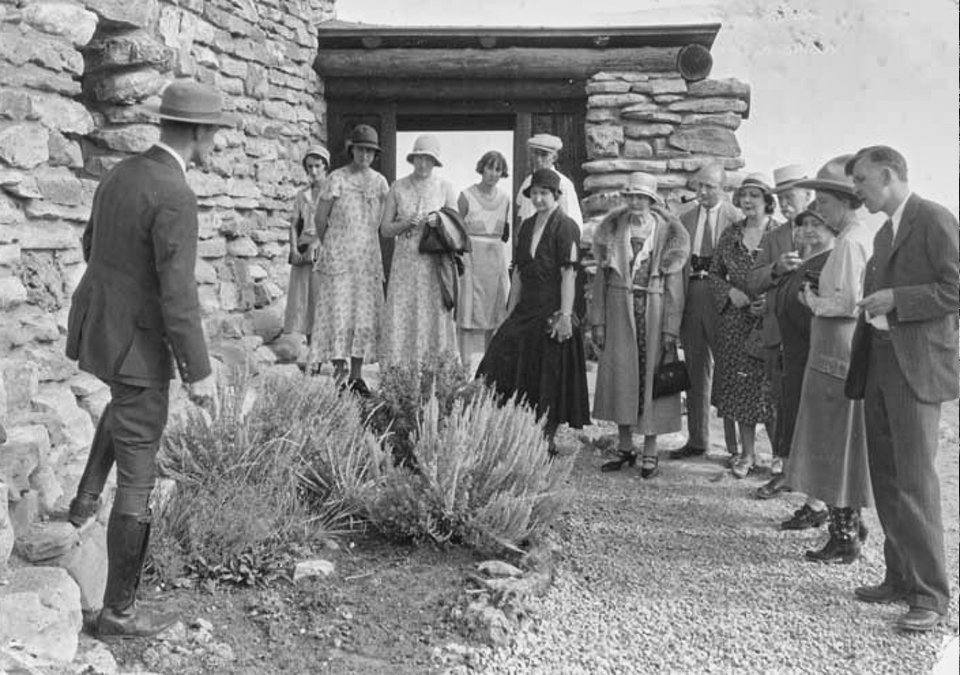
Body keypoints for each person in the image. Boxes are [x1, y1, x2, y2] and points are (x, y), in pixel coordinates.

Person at [64, 79, 227, 637]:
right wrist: (199, 373)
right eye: (214, 135)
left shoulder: (121, 173)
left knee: (123, 403)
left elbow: (91, 245)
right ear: (198, 132)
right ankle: (118, 612)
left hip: (102, 328)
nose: (216, 146)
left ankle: (84, 497)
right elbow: (178, 297)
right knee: (139, 477)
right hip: (139, 344)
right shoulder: (175, 194)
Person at [844, 146, 958, 633]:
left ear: (888, 175)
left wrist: (895, 299)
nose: (858, 192)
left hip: (915, 369)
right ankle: (900, 577)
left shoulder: (932, 218)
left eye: (863, 182)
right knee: (887, 480)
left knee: (916, 483)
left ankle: (931, 595)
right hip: (881, 364)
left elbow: (956, 289)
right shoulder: (886, 230)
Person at [783, 156, 874, 561]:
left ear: (842, 201)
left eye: (823, 202)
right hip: (833, 350)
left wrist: (813, 300)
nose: (818, 211)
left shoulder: (852, 242)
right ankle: (849, 525)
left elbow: (850, 303)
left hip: (836, 350)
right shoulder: (853, 238)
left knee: (835, 441)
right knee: (836, 440)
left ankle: (844, 535)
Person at [476, 168, 590, 454]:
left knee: (549, 372)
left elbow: (569, 274)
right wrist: (508, 313)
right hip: (526, 307)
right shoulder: (526, 226)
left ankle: (546, 439)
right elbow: (517, 274)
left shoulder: (566, 227)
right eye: (535, 194)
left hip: (553, 307)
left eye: (544, 194)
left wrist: (565, 317)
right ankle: (514, 431)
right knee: (500, 360)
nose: (538, 199)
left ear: (556, 195)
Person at [590, 173, 690, 478]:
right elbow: (600, 281)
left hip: (655, 313)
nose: (636, 202)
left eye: (641, 197)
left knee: (652, 381)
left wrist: (671, 327)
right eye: (631, 196)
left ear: (652, 201)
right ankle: (624, 447)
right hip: (619, 312)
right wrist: (598, 321)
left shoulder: (665, 234)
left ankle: (650, 449)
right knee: (621, 378)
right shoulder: (612, 230)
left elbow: (675, 286)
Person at [303, 126, 388, 394]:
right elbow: (320, 218)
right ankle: (339, 374)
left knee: (362, 314)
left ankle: (357, 375)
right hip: (339, 255)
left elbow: (385, 220)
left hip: (366, 258)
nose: (365, 155)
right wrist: (331, 244)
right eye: (361, 149)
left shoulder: (380, 182)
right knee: (339, 312)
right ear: (352, 149)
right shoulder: (336, 178)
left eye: (370, 151)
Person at [747, 164, 814, 499]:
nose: (786, 205)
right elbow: (752, 280)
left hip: (814, 334)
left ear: (808, 195)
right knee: (780, 404)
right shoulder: (774, 237)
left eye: (791, 197)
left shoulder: (822, 229)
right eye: (781, 199)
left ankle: (812, 480)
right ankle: (785, 470)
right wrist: (776, 269)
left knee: (811, 407)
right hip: (778, 333)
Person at [708, 173, 777, 478]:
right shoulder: (731, 234)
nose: (748, 201)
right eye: (744, 195)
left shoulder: (779, 234)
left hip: (770, 323)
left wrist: (771, 303)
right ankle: (746, 455)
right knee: (740, 387)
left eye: (755, 196)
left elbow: (793, 274)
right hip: (736, 322)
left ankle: (780, 457)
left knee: (772, 389)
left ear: (767, 201)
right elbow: (713, 275)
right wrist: (729, 292)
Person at [671, 164, 741, 461]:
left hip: (723, 298)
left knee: (729, 369)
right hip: (693, 293)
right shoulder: (684, 218)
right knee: (696, 368)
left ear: (723, 188)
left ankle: (736, 447)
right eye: (698, 186)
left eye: (709, 187)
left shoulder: (736, 218)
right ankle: (697, 440)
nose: (701, 192)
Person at [771, 210, 833, 527]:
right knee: (798, 425)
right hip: (795, 356)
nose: (807, 230)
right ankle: (814, 500)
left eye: (815, 224)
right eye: (803, 224)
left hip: (815, 356)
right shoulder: (803, 261)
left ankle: (819, 503)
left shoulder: (829, 262)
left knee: (816, 429)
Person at [379, 134, 460, 366]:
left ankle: (437, 369)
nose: (423, 164)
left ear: (435, 163)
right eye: (419, 158)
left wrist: (439, 220)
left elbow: (456, 226)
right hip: (405, 261)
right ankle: (400, 370)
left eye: (428, 159)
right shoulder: (398, 187)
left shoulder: (445, 186)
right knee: (403, 310)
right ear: (412, 159)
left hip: (433, 262)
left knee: (433, 311)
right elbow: (385, 229)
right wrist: (406, 223)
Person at [456, 150, 511, 365]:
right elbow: (455, 231)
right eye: (490, 168)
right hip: (471, 261)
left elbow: (504, 234)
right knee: (468, 314)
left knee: (492, 316)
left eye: (498, 169)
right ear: (482, 168)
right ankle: (464, 366)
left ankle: (487, 367)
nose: (493, 173)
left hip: (495, 262)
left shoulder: (505, 199)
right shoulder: (466, 196)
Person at [282, 145, 329, 344]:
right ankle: (310, 350)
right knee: (304, 300)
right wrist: (293, 248)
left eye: (317, 166)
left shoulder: (331, 193)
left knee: (321, 299)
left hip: (324, 251)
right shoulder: (302, 195)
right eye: (309, 166)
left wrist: (317, 243)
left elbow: (335, 225)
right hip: (303, 250)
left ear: (325, 166)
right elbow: (293, 224)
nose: (313, 171)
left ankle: (323, 351)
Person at [515, 133, 583, 232]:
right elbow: (521, 215)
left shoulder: (563, 184)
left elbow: (572, 223)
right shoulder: (527, 182)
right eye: (535, 153)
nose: (538, 159)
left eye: (544, 155)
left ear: (554, 157)